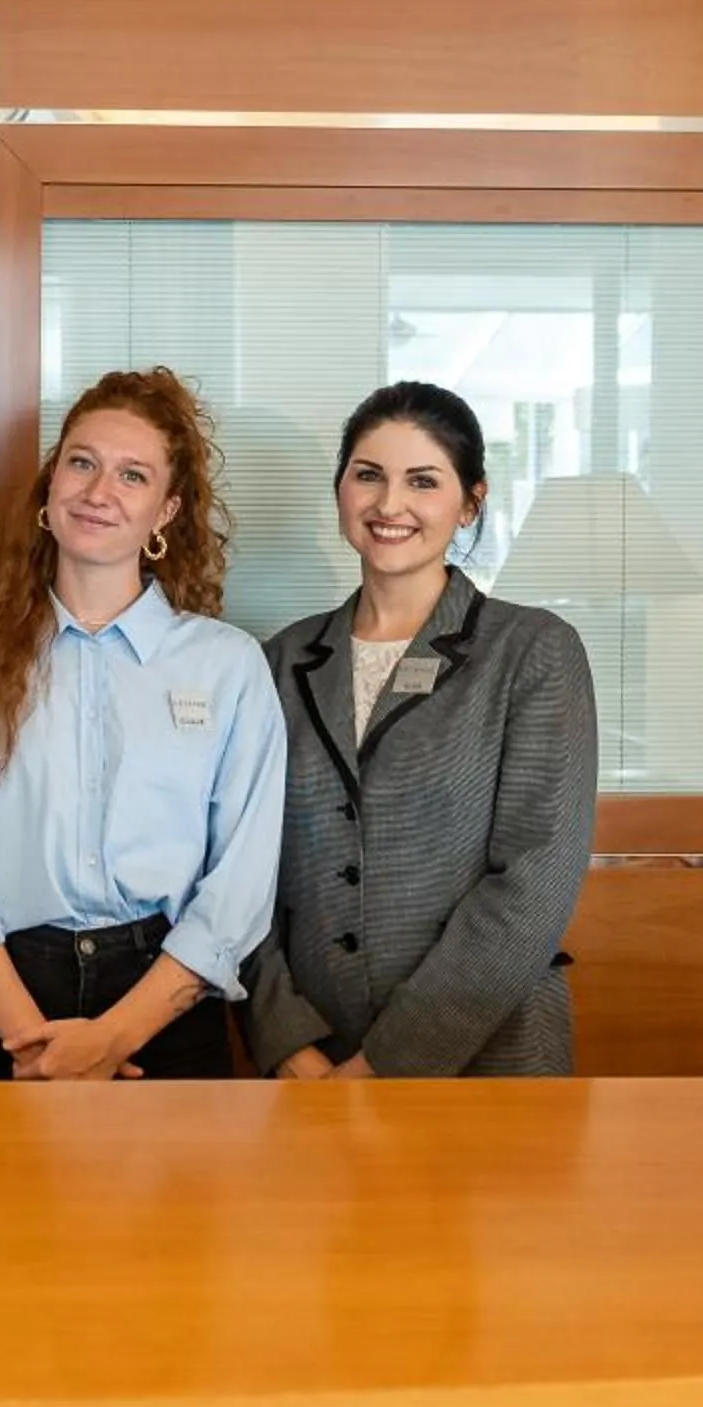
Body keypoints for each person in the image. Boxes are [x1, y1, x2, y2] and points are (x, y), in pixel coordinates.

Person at [0, 368, 282, 1081]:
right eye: (81, 462)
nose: (99, 492)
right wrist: (35, 1044)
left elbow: (238, 886)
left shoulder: (227, 668)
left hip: (162, 1015)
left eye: (132, 476)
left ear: (166, 511)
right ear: (51, 485)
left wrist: (112, 1040)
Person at [243, 381, 598, 1079]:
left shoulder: (532, 652)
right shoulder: (281, 661)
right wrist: (286, 1043)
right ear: (341, 487)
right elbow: (240, 870)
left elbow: (533, 880)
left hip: (491, 1056)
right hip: (315, 1062)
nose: (389, 505)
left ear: (470, 501)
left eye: (423, 481)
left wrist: (383, 1066)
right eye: (368, 475)